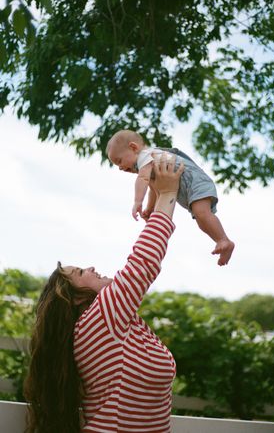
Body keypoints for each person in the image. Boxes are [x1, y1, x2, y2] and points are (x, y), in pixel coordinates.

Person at [24, 155, 184, 433]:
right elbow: (142, 264)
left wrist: (157, 196)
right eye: (80, 272)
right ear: (73, 298)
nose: (92, 267)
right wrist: (169, 193)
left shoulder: (117, 323)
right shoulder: (99, 318)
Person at [106, 129, 234, 266]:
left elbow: (142, 179)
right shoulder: (149, 162)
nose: (120, 167)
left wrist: (138, 201)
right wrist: (150, 209)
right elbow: (154, 190)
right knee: (200, 217)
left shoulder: (144, 156)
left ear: (133, 148)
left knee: (202, 214)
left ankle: (223, 240)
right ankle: (221, 240)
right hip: (189, 185)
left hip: (194, 180)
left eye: (119, 161)